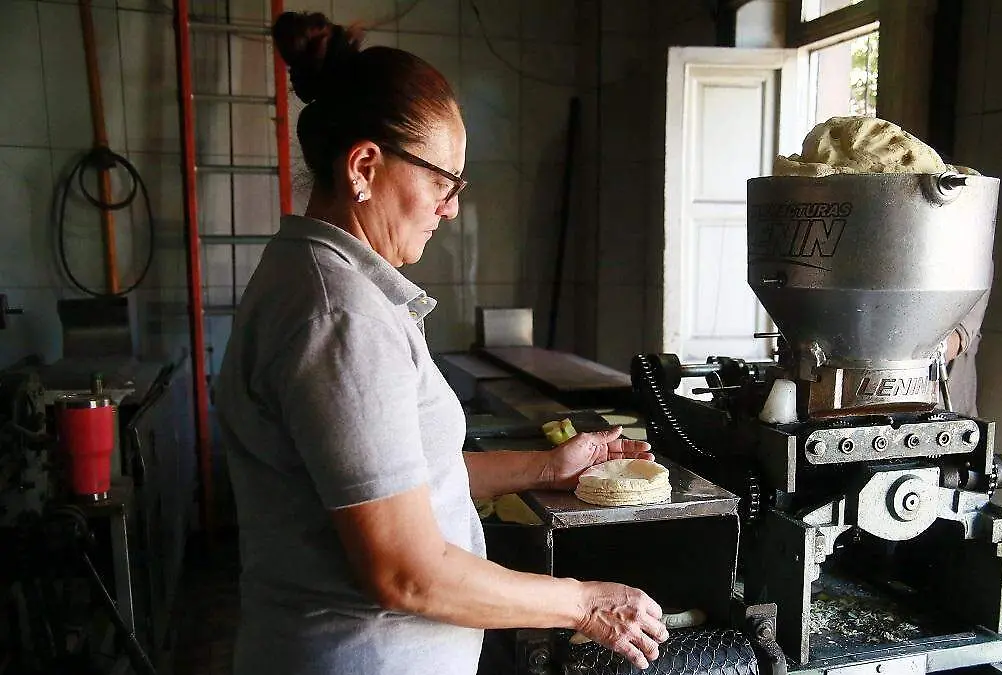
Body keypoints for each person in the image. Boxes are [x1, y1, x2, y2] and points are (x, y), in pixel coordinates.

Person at [215, 12, 668, 675]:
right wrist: (583, 602)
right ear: (365, 165)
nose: (452, 207)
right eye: (441, 181)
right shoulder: (339, 316)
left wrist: (547, 468)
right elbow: (406, 571)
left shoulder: (326, 282)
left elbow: (397, 481)